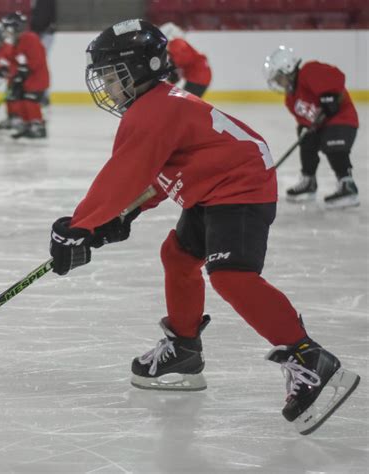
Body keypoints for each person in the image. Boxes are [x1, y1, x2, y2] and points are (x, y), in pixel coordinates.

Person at [48, 19, 359, 434]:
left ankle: (309, 358)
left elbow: (124, 173)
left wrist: (81, 225)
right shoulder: (160, 105)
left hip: (240, 185)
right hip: (215, 187)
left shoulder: (153, 110)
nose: (106, 85)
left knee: (232, 277)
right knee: (177, 256)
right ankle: (184, 349)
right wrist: (119, 217)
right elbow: (156, 175)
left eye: (112, 74)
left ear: (143, 67)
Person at [263, 45, 360, 208]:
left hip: (343, 120)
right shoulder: (290, 99)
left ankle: (347, 184)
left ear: (288, 69)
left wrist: (329, 97)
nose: (278, 82)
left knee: (332, 143)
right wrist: (308, 131)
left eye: (279, 77)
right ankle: (309, 181)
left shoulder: (309, 71)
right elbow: (306, 122)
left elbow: (338, 77)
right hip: (324, 125)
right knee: (305, 136)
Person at [1, 11, 50, 139]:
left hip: (37, 79)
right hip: (26, 79)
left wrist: (24, 70)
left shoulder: (30, 38)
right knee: (21, 100)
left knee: (30, 100)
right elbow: (14, 60)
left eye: (7, 28)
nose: (5, 32)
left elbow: (36, 59)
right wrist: (14, 73)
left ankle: (37, 126)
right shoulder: (16, 42)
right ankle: (28, 124)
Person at [0, 21, 24, 133]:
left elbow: (19, 64)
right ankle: (12, 117)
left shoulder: (9, 48)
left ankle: (20, 118)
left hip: (20, 79)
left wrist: (11, 71)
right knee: (8, 97)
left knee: (17, 97)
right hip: (11, 79)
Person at [159, 22, 212, 98]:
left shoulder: (176, 43)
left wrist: (172, 68)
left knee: (187, 102)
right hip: (199, 75)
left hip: (198, 77)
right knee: (186, 100)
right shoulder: (177, 42)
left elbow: (180, 60)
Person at [30, 0, 57, 106]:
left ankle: (43, 94)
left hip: (45, 34)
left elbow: (48, 16)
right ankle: (35, 92)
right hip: (35, 34)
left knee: (40, 64)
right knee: (34, 64)